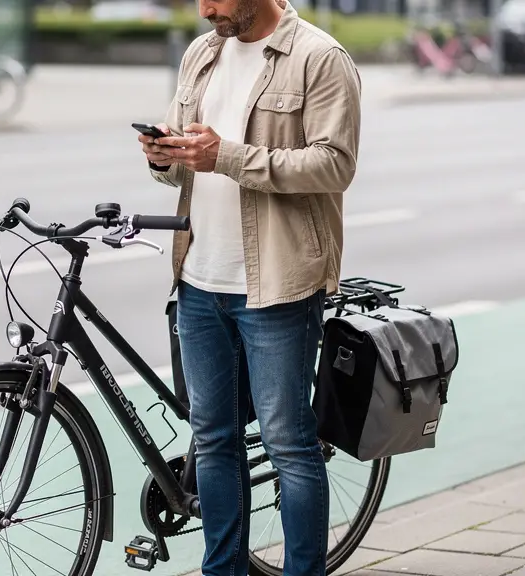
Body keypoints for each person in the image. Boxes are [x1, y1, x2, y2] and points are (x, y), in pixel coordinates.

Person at [137, 0, 362, 575]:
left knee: (289, 446)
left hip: (279, 285)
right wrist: (164, 156)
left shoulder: (319, 57)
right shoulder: (202, 53)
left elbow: (334, 165)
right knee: (213, 440)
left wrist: (227, 157)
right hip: (198, 277)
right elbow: (184, 168)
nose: (205, 8)